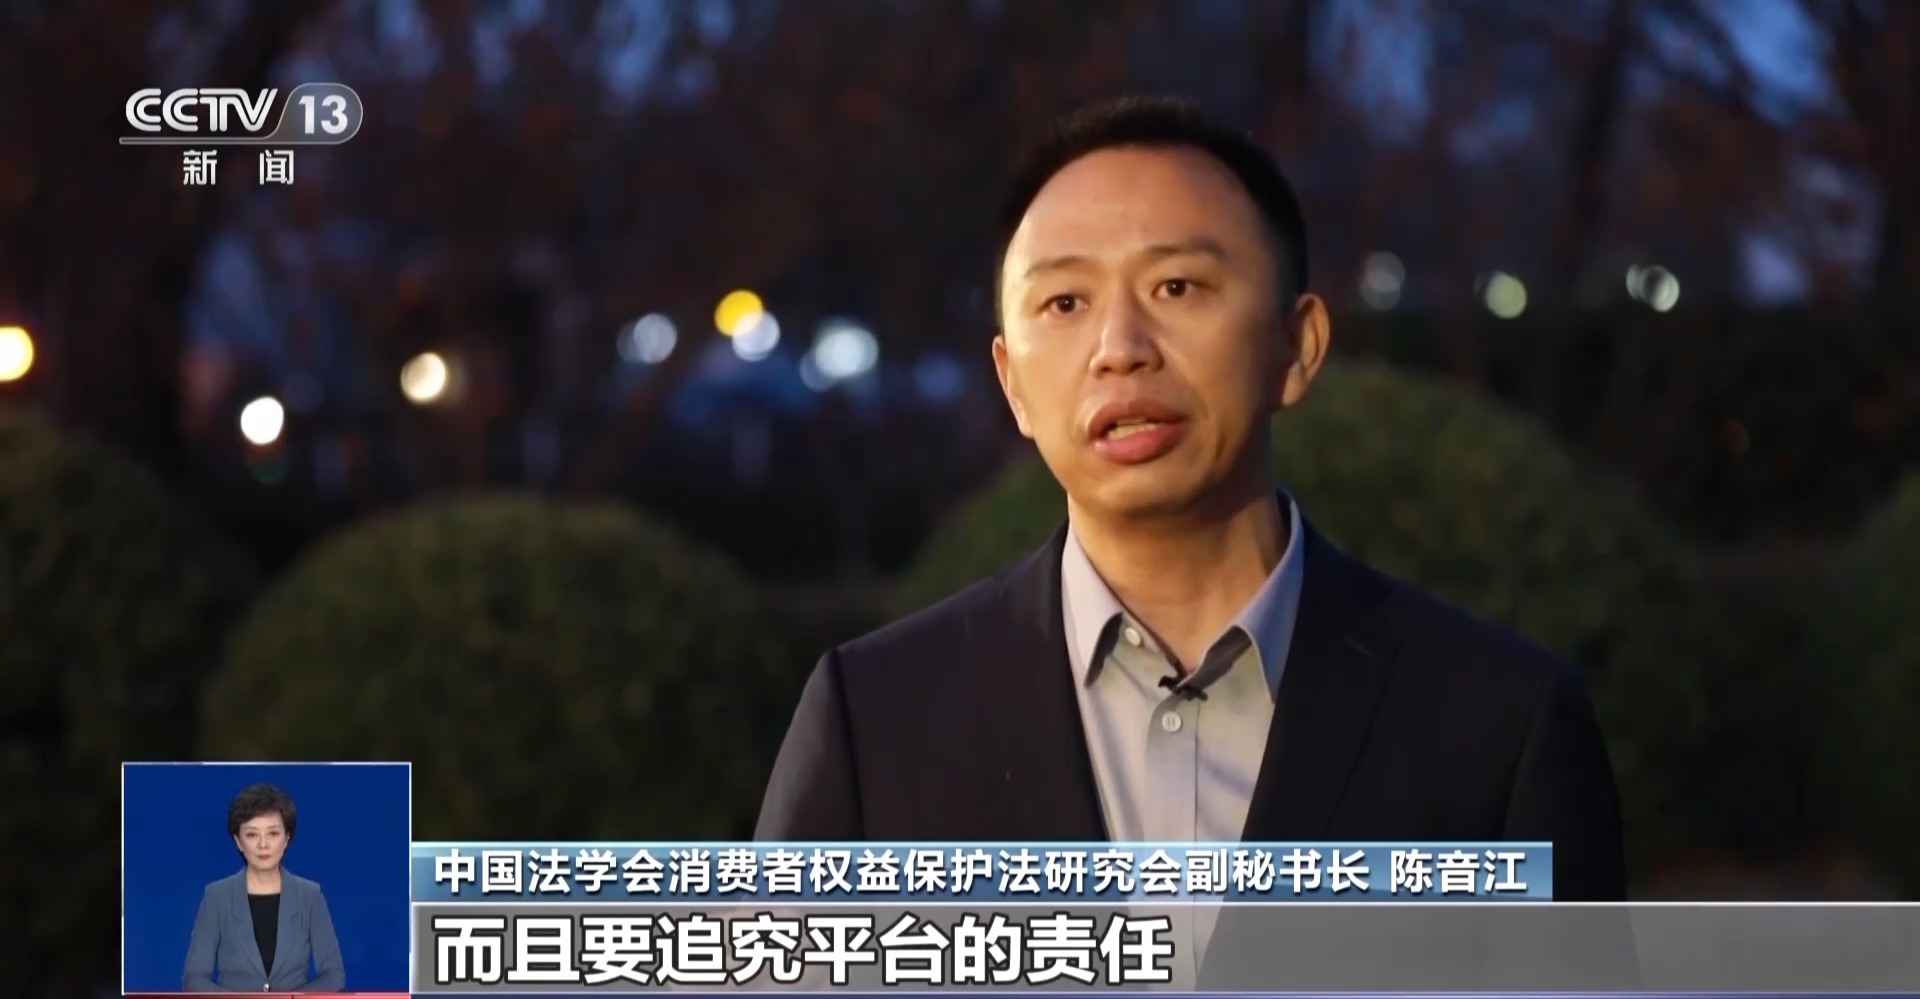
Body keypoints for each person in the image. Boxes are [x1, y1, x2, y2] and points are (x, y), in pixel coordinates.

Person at [757, 97, 1625, 908]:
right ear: (1012, 382)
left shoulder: (1498, 726)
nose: (1119, 347)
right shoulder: (877, 721)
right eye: (1064, 301)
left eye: (1176, 287)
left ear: (1297, 344)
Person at [183, 783, 345, 992]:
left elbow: (333, 974)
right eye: (252, 834)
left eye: (273, 833)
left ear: (286, 838)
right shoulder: (217, 896)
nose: (263, 845)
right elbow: (194, 978)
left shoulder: (310, 896)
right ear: (238, 841)